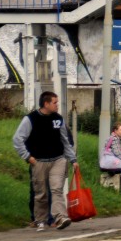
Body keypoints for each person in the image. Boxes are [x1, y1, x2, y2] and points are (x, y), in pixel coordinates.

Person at [13, 91, 77, 230]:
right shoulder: (30, 119)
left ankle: (61, 217)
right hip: (39, 161)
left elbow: (65, 140)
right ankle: (40, 220)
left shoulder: (58, 119)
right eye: (55, 102)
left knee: (56, 189)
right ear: (46, 103)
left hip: (58, 160)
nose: (57, 105)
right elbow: (18, 139)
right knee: (41, 193)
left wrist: (73, 159)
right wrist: (28, 157)